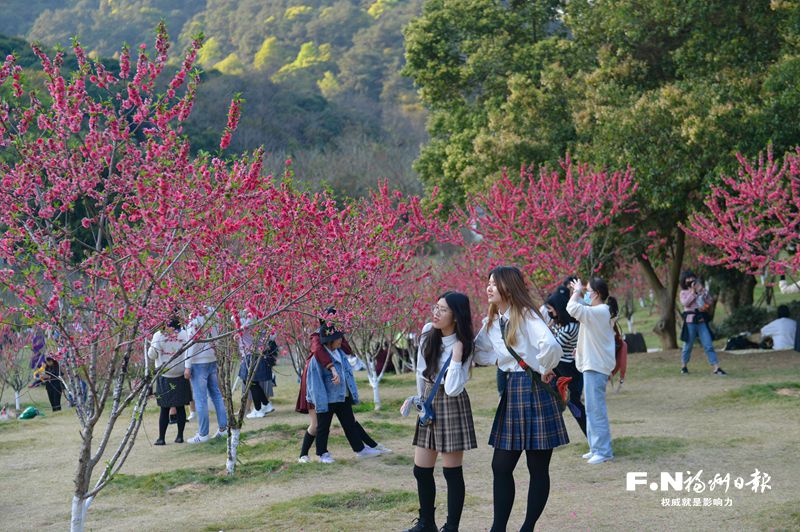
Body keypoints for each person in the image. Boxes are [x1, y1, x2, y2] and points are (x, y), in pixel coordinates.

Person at [473, 266, 567, 532]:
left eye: (495, 283)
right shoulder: (492, 321)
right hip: (513, 388)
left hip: (535, 388)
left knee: (537, 467)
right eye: (488, 282)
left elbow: (551, 345)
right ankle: (498, 528)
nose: (489, 287)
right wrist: (497, 359)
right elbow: (478, 352)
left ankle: (527, 527)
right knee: (500, 466)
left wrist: (545, 366)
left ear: (509, 286)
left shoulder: (526, 315)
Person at [402, 292, 476, 532]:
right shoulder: (427, 332)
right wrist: (420, 403)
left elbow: (453, 388)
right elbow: (420, 372)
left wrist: (457, 356)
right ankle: (427, 523)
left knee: (451, 472)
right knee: (421, 470)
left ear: (456, 316)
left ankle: (451, 527)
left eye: (442, 310)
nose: (435, 313)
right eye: (435, 307)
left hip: (451, 404)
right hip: (429, 401)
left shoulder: (464, 344)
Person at [296, 311, 388, 463]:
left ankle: (362, 448)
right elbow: (317, 369)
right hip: (324, 393)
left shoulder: (338, 348)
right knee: (320, 425)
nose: (341, 339)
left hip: (340, 394)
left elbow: (346, 354)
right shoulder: (318, 342)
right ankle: (314, 454)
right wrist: (331, 370)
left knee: (349, 422)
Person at [566, 277, 616, 464]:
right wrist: (577, 292)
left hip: (596, 366)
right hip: (592, 364)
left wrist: (577, 292)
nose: (585, 294)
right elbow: (578, 309)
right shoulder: (596, 312)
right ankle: (595, 447)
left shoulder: (601, 311)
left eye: (588, 291)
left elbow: (572, 308)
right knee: (591, 410)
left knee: (596, 410)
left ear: (597, 294)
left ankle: (604, 451)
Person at [544, 287, 586, 437]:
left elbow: (554, 347)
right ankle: (553, 436)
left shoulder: (570, 327)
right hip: (560, 370)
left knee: (574, 404)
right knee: (554, 404)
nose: (549, 312)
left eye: (551, 309)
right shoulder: (561, 324)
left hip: (569, 372)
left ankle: (591, 435)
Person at [184, 307, 228, 443]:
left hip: (198, 361)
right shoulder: (213, 312)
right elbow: (217, 335)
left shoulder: (194, 315)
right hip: (211, 358)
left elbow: (192, 342)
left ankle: (203, 434)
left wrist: (187, 365)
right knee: (216, 395)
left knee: (200, 399)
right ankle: (223, 428)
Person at [147, 314, 192, 445]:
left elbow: (152, 355)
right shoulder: (184, 333)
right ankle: (180, 436)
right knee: (180, 407)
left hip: (165, 375)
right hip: (180, 373)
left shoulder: (159, 335)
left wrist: (152, 344)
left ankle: (161, 438)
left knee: (164, 409)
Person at [678, 271, 727, 376]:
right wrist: (693, 292)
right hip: (690, 322)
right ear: (684, 281)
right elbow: (686, 303)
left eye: (692, 278)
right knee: (688, 345)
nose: (691, 280)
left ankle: (716, 368)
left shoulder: (700, 290)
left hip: (701, 321)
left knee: (708, 344)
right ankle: (684, 366)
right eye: (688, 278)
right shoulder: (683, 293)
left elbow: (709, 302)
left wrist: (703, 292)